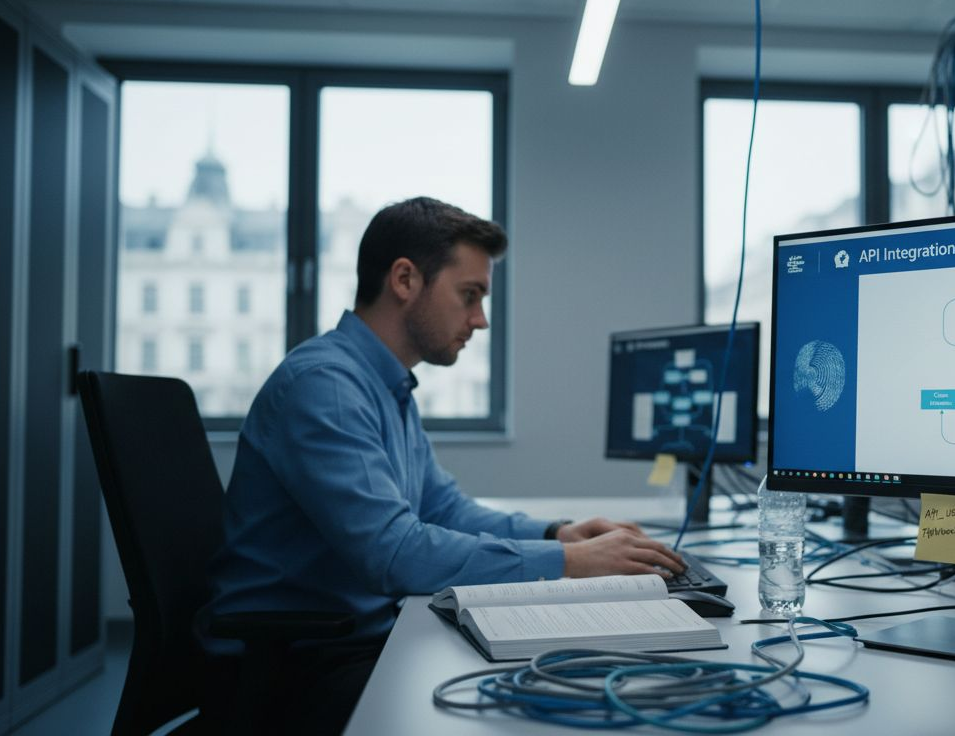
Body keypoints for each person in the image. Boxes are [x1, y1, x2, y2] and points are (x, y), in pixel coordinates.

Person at [203, 197, 683, 732]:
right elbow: (395, 554)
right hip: (296, 665)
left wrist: (561, 534)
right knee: (531, 710)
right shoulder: (326, 386)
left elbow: (441, 507)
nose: (479, 320)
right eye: (470, 295)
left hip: (352, 638)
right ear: (405, 279)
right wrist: (569, 563)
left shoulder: (383, 385)